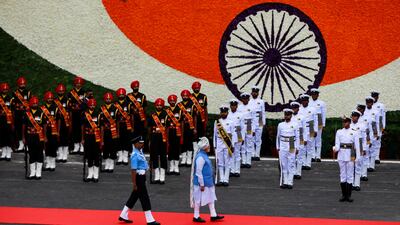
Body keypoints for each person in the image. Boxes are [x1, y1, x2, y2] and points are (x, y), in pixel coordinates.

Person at [118, 136, 161, 225]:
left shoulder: (140, 152)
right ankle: (150, 219)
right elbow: (133, 170)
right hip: (138, 178)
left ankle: (123, 214)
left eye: (142, 143)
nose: (142, 144)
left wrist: (148, 167)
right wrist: (134, 183)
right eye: (140, 143)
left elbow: (142, 164)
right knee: (144, 198)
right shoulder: (135, 155)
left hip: (142, 177)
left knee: (134, 197)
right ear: (135, 144)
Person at [190, 137, 224, 223]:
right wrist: (201, 184)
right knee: (197, 199)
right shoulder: (200, 157)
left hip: (208, 182)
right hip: (201, 183)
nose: (209, 147)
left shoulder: (203, 155)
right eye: (208, 146)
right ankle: (196, 216)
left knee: (211, 198)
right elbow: (198, 172)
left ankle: (213, 215)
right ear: (205, 147)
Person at [332, 117, 360, 202]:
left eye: (346, 122)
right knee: (343, 175)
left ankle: (349, 196)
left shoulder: (354, 132)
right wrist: (335, 148)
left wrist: (357, 157)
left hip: (350, 154)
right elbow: (337, 144)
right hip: (341, 155)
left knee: (350, 175)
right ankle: (344, 195)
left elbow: (357, 146)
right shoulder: (339, 132)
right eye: (343, 122)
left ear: (349, 122)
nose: (344, 123)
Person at [23, 96, 45, 179]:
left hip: (39, 136)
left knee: (39, 154)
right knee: (31, 154)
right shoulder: (27, 113)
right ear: (30, 104)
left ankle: (38, 172)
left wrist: (45, 137)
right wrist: (24, 137)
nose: (35, 104)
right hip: (30, 136)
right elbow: (24, 126)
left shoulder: (41, 112)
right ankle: (32, 172)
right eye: (33, 103)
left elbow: (44, 126)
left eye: (36, 103)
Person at [213, 105, 236, 186]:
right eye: (222, 112)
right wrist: (214, 146)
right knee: (220, 162)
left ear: (227, 113)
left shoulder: (231, 122)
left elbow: (233, 134)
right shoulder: (217, 122)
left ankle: (226, 179)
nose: (223, 114)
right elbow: (215, 135)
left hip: (228, 144)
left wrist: (232, 145)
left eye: (225, 112)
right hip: (219, 144)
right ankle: (221, 179)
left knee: (227, 162)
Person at [276, 108, 299, 189]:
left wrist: (297, 148)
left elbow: (297, 137)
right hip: (283, 145)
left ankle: (290, 182)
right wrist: (277, 147)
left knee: (291, 164)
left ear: (291, 115)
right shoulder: (280, 125)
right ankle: (285, 182)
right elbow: (278, 137)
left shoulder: (295, 124)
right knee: (283, 165)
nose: (287, 116)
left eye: (288, 115)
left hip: (292, 143)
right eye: (286, 115)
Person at [148, 98, 168, 184]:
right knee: (154, 156)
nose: (159, 106)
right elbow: (149, 128)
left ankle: (162, 176)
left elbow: (167, 128)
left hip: (163, 138)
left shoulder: (166, 115)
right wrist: (149, 139)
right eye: (157, 105)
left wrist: (167, 139)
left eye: (160, 105)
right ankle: (156, 175)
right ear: (155, 105)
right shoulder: (152, 115)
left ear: (162, 106)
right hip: (154, 137)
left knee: (163, 156)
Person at [82, 99, 101, 183]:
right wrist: (82, 138)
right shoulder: (84, 114)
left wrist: (102, 139)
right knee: (89, 155)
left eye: (93, 105)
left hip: (96, 137)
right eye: (91, 105)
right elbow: (82, 127)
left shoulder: (99, 114)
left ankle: (96, 175)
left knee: (96, 156)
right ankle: (90, 174)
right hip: (87, 137)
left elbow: (102, 128)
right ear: (88, 105)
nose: (92, 106)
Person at [99, 92, 119, 173]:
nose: (108, 100)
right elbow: (100, 123)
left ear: (111, 99)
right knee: (106, 148)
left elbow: (117, 122)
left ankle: (111, 165)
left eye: (109, 99)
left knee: (112, 148)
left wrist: (118, 132)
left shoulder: (115, 109)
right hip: (105, 131)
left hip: (113, 131)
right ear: (104, 99)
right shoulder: (101, 109)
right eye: (107, 99)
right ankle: (107, 165)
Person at [298, 94, 318, 170]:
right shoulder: (299, 109)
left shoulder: (313, 109)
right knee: (302, 147)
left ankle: (308, 164)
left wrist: (315, 130)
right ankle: (303, 163)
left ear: (308, 101)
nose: (304, 102)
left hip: (311, 128)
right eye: (303, 101)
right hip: (302, 129)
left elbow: (315, 120)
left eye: (305, 101)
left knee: (310, 147)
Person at [41, 91, 59, 171]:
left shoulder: (56, 108)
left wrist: (58, 131)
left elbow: (59, 120)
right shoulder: (42, 108)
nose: (50, 99)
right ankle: (48, 163)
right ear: (45, 99)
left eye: (51, 98)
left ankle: (53, 164)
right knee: (46, 147)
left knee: (53, 146)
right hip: (45, 130)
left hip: (54, 130)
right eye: (48, 98)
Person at [178, 90, 197, 167]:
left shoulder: (192, 105)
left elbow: (195, 117)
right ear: (182, 96)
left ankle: (189, 159)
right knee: (183, 142)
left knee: (189, 142)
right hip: (181, 126)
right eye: (183, 96)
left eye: (186, 96)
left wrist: (195, 128)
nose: (185, 97)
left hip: (190, 126)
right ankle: (183, 159)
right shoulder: (179, 105)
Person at [115, 88, 133, 165]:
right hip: (117, 124)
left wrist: (132, 126)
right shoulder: (115, 104)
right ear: (118, 95)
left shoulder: (128, 104)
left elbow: (131, 116)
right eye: (120, 94)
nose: (121, 95)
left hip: (127, 125)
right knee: (119, 140)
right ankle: (120, 157)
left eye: (122, 94)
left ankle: (125, 157)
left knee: (126, 140)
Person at [238, 92, 256, 168]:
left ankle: (248, 162)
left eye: (246, 99)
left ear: (248, 99)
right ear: (242, 99)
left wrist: (254, 129)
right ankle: (243, 161)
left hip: (249, 124)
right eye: (244, 99)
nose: (245, 100)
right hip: (241, 126)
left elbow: (254, 119)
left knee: (249, 143)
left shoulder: (252, 107)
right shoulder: (239, 107)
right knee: (241, 143)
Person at [12, 76, 31, 152]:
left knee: (27, 129)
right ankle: (21, 144)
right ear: (18, 84)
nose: (22, 85)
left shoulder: (28, 92)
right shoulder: (15, 93)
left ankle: (27, 145)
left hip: (26, 113)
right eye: (21, 84)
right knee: (18, 128)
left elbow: (30, 103)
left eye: (23, 84)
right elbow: (13, 104)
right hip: (18, 113)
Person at [350, 110, 367, 191]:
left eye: (355, 116)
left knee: (358, 166)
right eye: (352, 116)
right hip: (351, 147)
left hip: (359, 147)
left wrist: (364, 149)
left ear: (358, 117)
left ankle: (357, 184)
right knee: (351, 166)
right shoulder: (348, 125)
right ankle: (351, 184)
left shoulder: (362, 126)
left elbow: (364, 139)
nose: (353, 118)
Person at [68, 76, 86, 154]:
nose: (78, 84)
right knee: (75, 129)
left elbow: (86, 104)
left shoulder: (84, 93)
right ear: (75, 84)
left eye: (80, 83)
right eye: (77, 83)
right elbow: (69, 104)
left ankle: (82, 145)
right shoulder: (70, 93)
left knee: (82, 129)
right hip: (73, 113)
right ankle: (76, 146)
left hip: (81, 113)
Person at [165, 94, 182, 175]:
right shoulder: (166, 111)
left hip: (177, 132)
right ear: (169, 101)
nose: (172, 102)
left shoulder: (179, 110)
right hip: (169, 132)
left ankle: (176, 167)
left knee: (176, 149)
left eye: (174, 100)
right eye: (171, 100)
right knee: (170, 149)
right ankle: (171, 167)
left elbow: (181, 122)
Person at [290, 101, 308, 180]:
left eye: (296, 108)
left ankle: (298, 173)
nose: (294, 109)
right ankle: (293, 172)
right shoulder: (289, 116)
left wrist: (305, 139)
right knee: (292, 156)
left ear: (298, 108)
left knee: (300, 156)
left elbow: (305, 129)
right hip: (291, 138)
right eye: (293, 108)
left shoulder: (302, 117)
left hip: (300, 137)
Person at [227, 99, 245, 177]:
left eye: (234, 105)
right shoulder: (227, 114)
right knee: (230, 153)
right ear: (230, 106)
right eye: (232, 105)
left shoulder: (240, 115)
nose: (233, 107)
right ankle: (231, 170)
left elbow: (243, 127)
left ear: (237, 106)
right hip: (230, 134)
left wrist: (242, 138)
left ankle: (237, 170)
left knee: (237, 153)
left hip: (238, 133)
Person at [127, 80, 147, 149]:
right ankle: (133, 149)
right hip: (131, 118)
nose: (136, 87)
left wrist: (145, 119)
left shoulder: (142, 96)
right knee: (132, 134)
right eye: (135, 86)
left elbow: (145, 108)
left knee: (141, 134)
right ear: (132, 87)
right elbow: (127, 107)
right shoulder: (128, 96)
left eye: (137, 86)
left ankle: (140, 149)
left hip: (140, 118)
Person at [309, 88, 326, 162]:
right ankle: (312, 155)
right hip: (311, 121)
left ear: (318, 95)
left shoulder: (322, 103)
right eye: (313, 94)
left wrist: (323, 124)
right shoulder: (309, 103)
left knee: (318, 139)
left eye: (315, 94)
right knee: (312, 139)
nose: (314, 96)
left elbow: (323, 114)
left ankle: (318, 156)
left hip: (319, 121)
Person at [356, 103, 373, 181]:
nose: (358, 110)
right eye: (358, 109)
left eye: (360, 109)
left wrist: (369, 141)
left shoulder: (368, 118)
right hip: (356, 140)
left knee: (365, 157)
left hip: (365, 140)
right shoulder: (355, 117)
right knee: (358, 158)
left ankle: (364, 174)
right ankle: (358, 174)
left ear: (363, 109)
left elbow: (370, 130)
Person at [54, 83, 71, 163]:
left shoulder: (67, 101)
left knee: (65, 138)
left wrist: (70, 121)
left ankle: (65, 156)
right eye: (59, 91)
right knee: (59, 139)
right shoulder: (54, 101)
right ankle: (60, 155)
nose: (61, 92)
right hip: (56, 122)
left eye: (62, 91)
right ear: (57, 91)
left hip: (65, 122)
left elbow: (70, 112)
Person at [364, 96, 380, 172]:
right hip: (365, 133)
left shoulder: (376, 111)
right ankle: (366, 165)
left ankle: (372, 165)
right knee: (366, 149)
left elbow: (377, 123)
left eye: (370, 102)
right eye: (367, 102)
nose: (368, 104)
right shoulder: (363, 111)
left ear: (372, 103)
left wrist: (378, 134)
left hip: (373, 132)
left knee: (372, 149)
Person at [249, 86, 266, 161]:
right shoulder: (249, 101)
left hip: (259, 120)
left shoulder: (261, 101)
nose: (255, 93)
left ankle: (257, 154)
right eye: (253, 92)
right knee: (251, 138)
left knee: (258, 139)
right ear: (251, 93)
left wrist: (263, 123)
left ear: (258, 93)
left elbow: (263, 112)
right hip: (251, 121)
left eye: (256, 92)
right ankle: (252, 154)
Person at [0, 82, 14, 161]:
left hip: (8, 120)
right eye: (3, 89)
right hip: (1, 120)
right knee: (2, 136)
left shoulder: (10, 99)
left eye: (6, 89)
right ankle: (3, 153)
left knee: (9, 136)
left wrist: (13, 122)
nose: (5, 90)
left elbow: (13, 111)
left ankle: (8, 153)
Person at [371, 91, 385, 164]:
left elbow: (383, 118)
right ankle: (371, 157)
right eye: (373, 96)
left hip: (378, 126)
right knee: (370, 142)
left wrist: (383, 128)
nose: (374, 98)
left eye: (375, 96)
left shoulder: (381, 105)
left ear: (378, 97)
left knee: (377, 142)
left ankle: (376, 157)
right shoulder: (368, 105)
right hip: (370, 127)